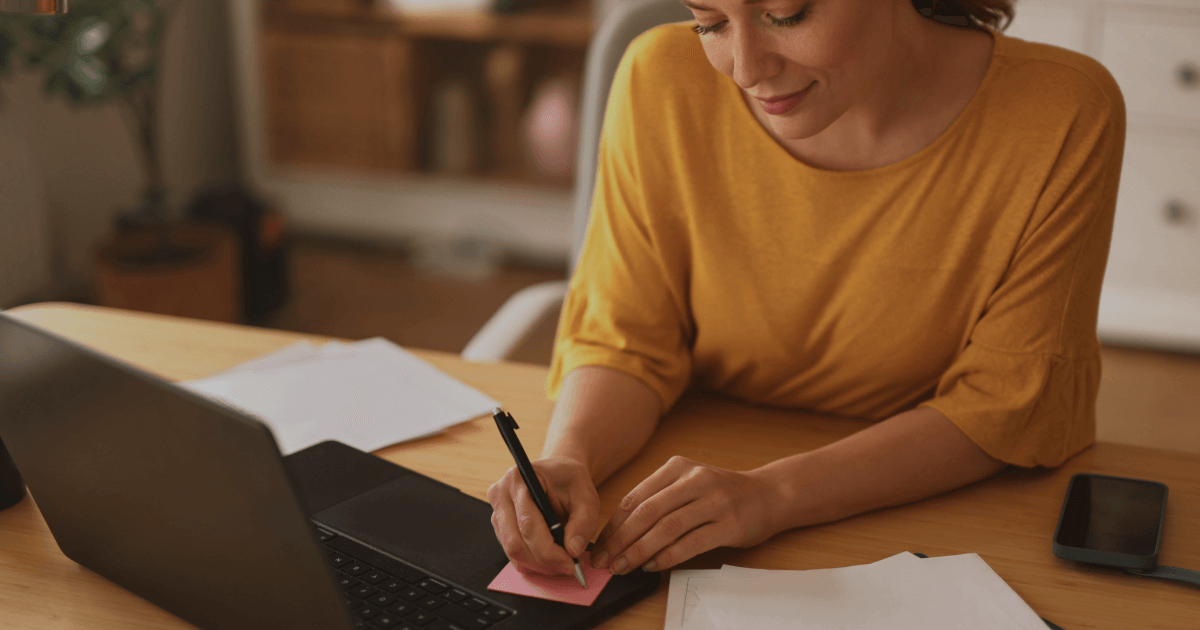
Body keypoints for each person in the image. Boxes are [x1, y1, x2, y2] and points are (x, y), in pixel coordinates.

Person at [488, 0, 1125, 579]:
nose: (744, 69)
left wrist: (775, 495)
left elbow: (1005, 405)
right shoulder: (660, 78)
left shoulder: (1062, 111)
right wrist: (572, 457)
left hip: (927, 525)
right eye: (709, 22)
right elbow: (628, 340)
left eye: (787, 16)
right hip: (699, 488)